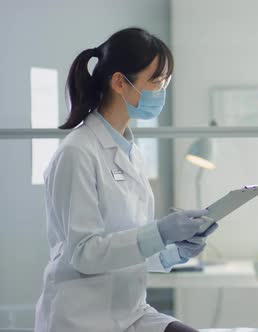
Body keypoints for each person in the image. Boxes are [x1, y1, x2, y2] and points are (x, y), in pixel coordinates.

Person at [35, 27, 216, 332]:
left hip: (130, 312)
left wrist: (173, 251)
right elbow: (84, 254)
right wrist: (159, 232)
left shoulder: (130, 150)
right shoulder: (77, 153)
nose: (161, 92)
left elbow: (129, 246)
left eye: (165, 82)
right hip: (82, 318)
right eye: (156, 82)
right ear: (120, 82)